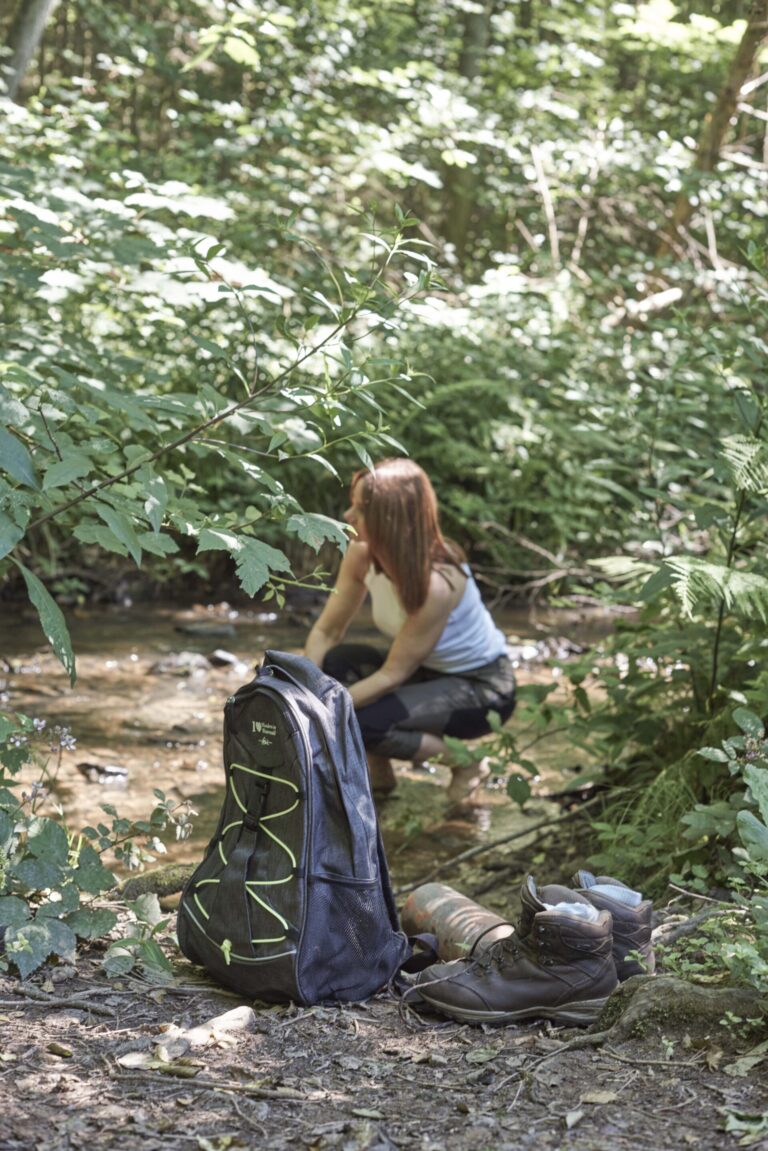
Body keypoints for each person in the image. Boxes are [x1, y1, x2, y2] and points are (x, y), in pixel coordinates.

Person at [303, 458, 516, 805]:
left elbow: (391, 674)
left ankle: (467, 764)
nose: (347, 516)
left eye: (360, 509)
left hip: (482, 687)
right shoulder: (361, 555)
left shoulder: (439, 580)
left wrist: (325, 712)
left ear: (391, 519)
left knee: (361, 720)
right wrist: (304, 690)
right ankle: (379, 772)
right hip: (422, 673)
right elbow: (326, 632)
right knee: (336, 662)